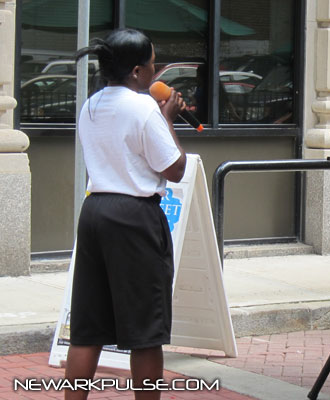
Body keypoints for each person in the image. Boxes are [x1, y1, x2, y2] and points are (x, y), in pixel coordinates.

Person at [65, 29, 187, 400]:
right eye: (152, 64)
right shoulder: (144, 108)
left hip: (95, 210)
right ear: (136, 71)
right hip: (134, 216)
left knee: (88, 327)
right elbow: (175, 168)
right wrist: (167, 117)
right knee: (145, 331)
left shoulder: (92, 104)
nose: (156, 71)